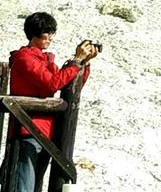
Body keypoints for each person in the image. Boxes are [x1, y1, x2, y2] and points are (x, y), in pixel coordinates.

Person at [8, 12, 97, 192]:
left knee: (33, 185)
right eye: (46, 33)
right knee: (24, 186)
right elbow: (52, 84)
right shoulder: (25, 58)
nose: (50, 37)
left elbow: (68, 85)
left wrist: (82, 64)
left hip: (44, 132)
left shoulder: (44, 60)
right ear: (34, 34)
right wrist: (76, 61)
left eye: (51, 33)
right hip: (28, 130)